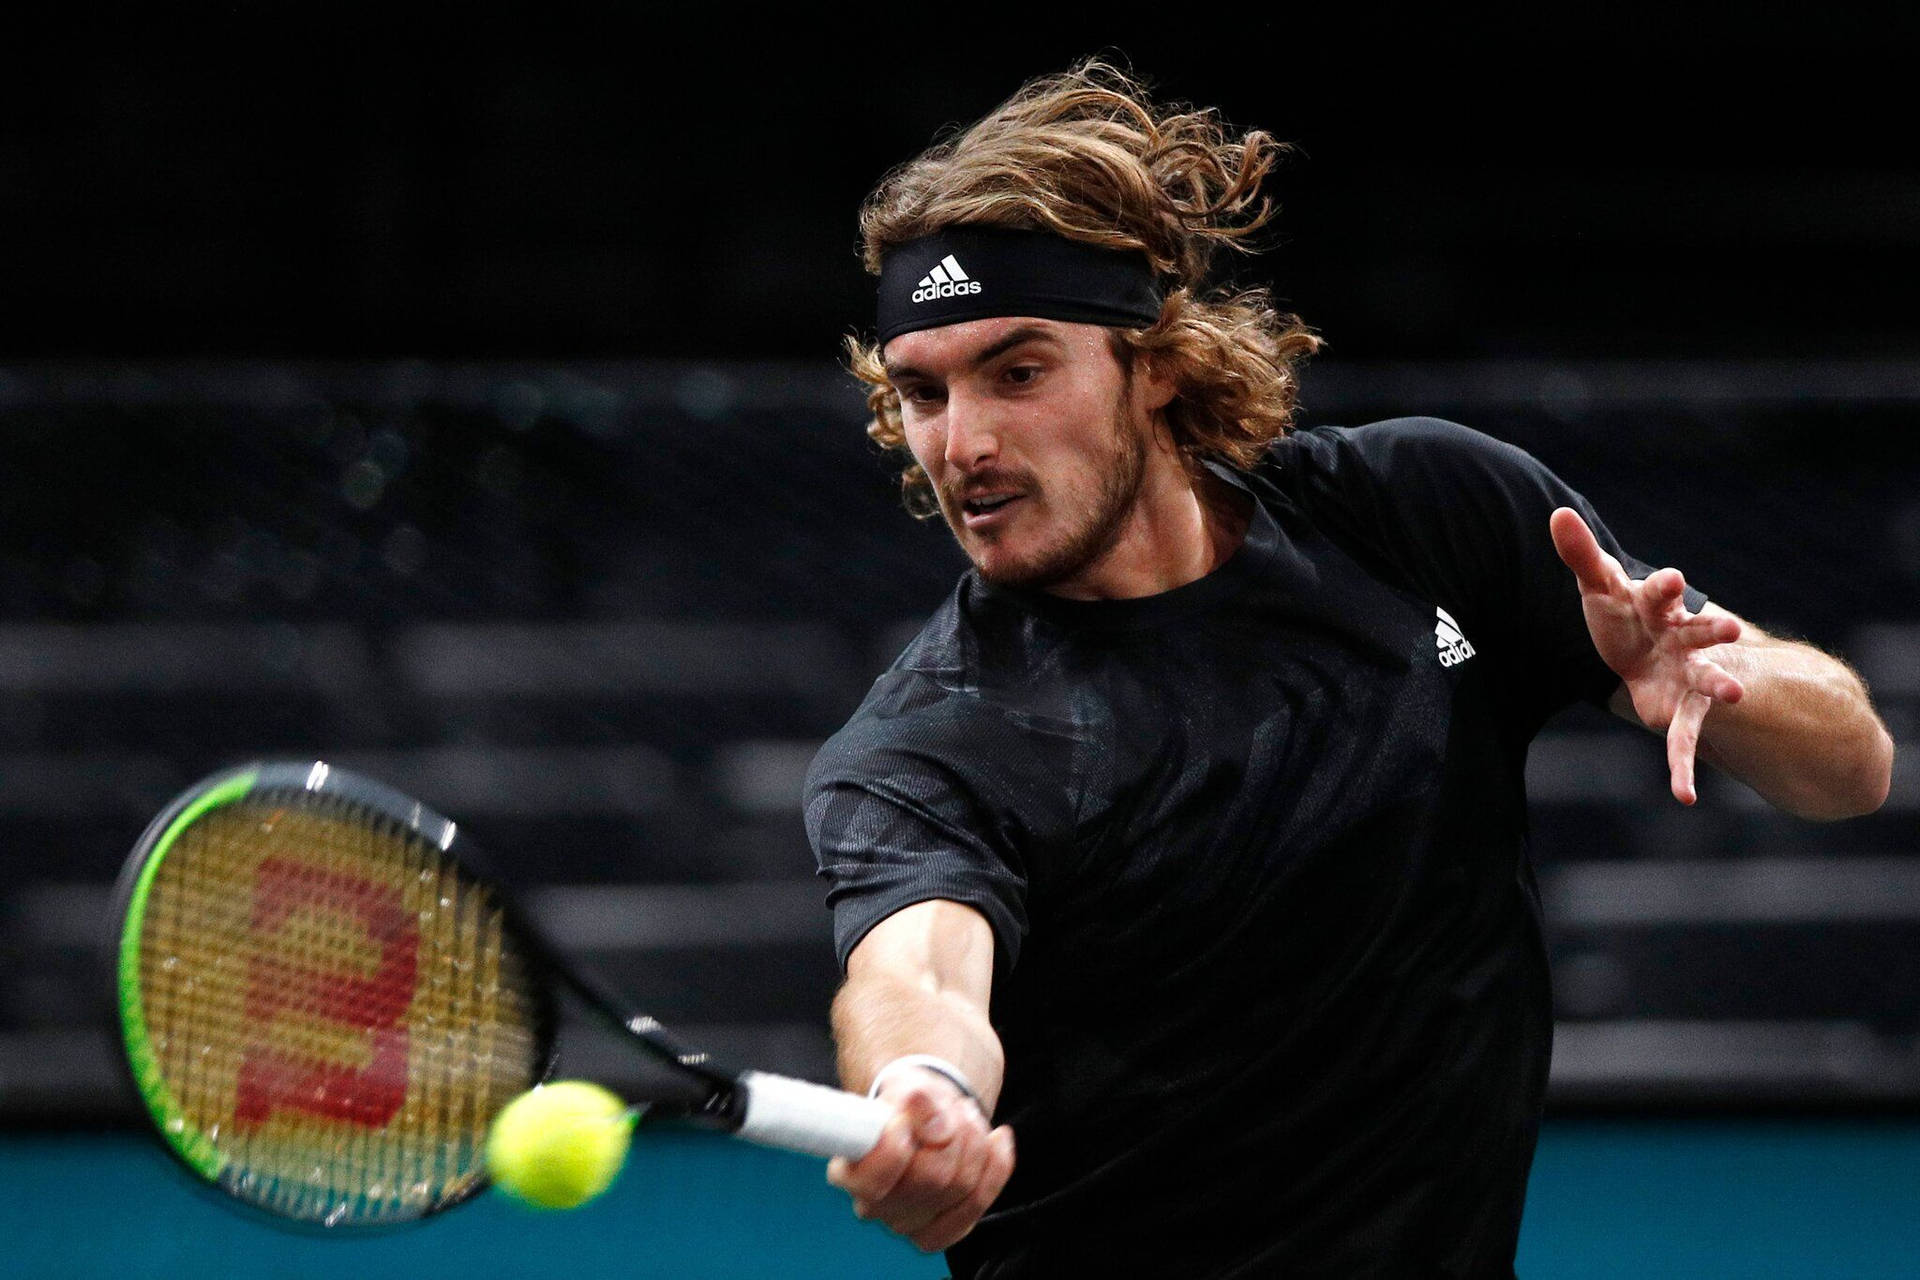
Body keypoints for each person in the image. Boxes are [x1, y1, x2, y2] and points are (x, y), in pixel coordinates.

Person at [804, 61, 1894, 1279]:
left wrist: (1724, 683)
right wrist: (924, 1082)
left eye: (1018, 370)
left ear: (1154, 363)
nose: (966, 442)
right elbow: (918, 968)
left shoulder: (1426, 513)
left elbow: (1852, 768)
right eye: (923, 391)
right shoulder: (930, 740)